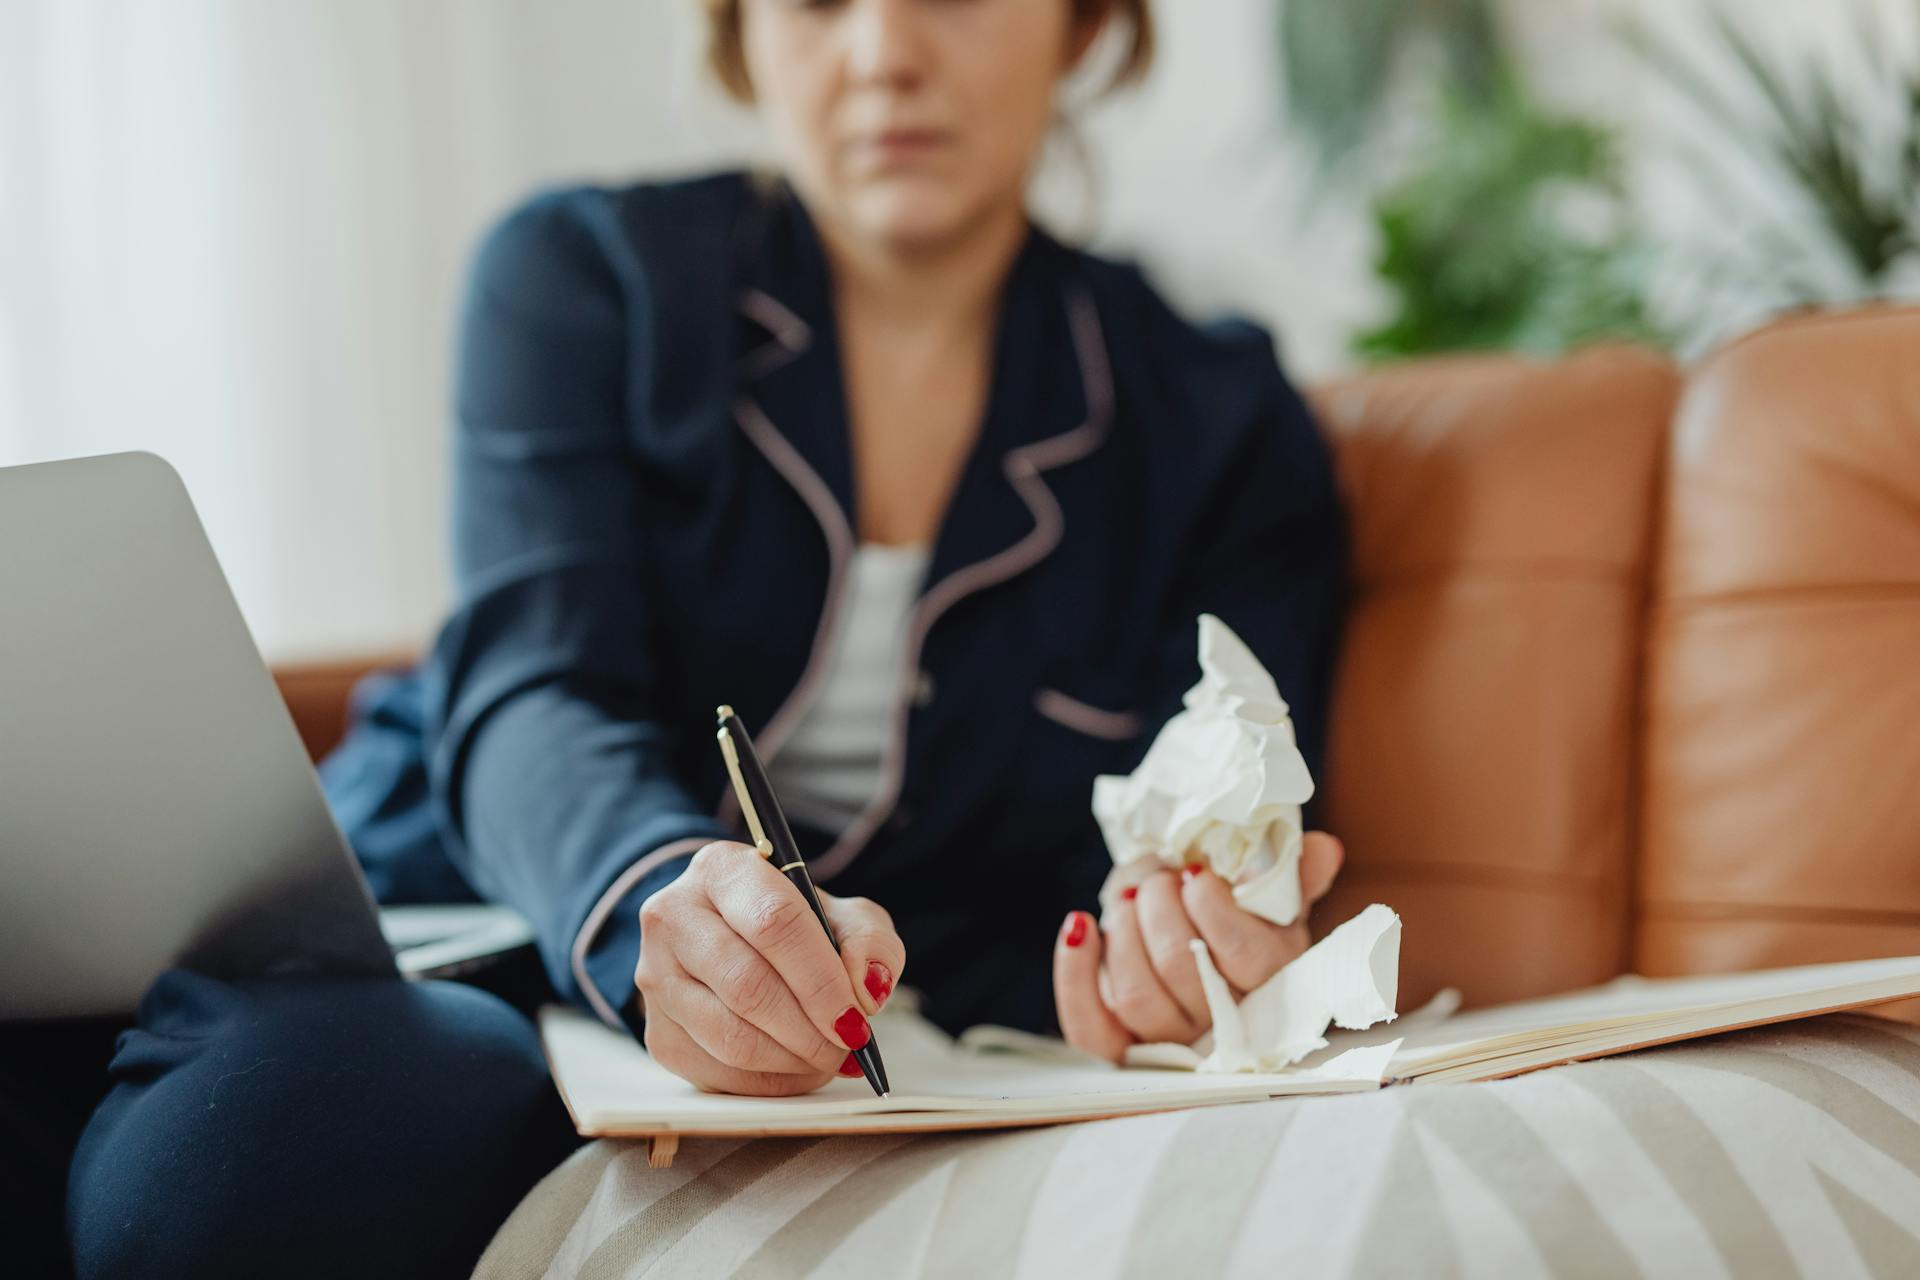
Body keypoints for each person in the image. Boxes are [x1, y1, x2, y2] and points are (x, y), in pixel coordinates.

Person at [47, 0, 1347, 1274]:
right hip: (452, 912)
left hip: (888, 1037)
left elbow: (1206, 838)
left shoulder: (1218, 424)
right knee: (257, 1162)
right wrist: (659, 899)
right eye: (817, 2)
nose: (884, 52)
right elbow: (531, 694)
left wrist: (1173, 960)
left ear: (1085, 23)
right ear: (739, 33)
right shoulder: (581, 278)